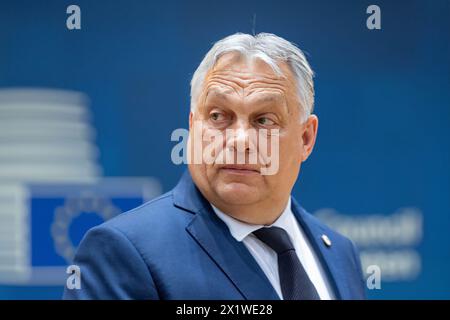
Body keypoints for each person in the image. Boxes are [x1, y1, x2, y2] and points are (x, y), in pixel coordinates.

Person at [63, 33, 366, 300]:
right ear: (193, 126)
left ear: (305, 138)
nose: (239, 140)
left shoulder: (339, 252)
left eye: (264, 120)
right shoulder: (124, 253)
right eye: (219, 116)